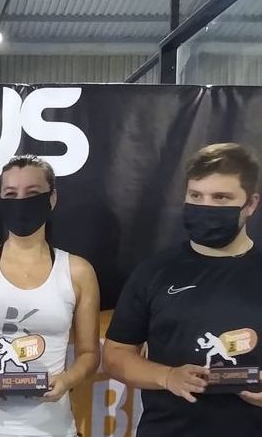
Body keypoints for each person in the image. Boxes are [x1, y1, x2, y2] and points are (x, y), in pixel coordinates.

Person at [103, 143, 262, 437]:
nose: (206, 206)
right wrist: (167, 376)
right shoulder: (154, 272)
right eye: (196, 196)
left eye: (221, 197)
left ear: (250, 204)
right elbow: (116, 354)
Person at [0, 155, 100, 437]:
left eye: (32, 193)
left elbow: (89, 353)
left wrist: (66, 380)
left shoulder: (78, 272)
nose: (21, 201)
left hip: (50, 428)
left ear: (51, 198)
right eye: (11, 194)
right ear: (1, 200)